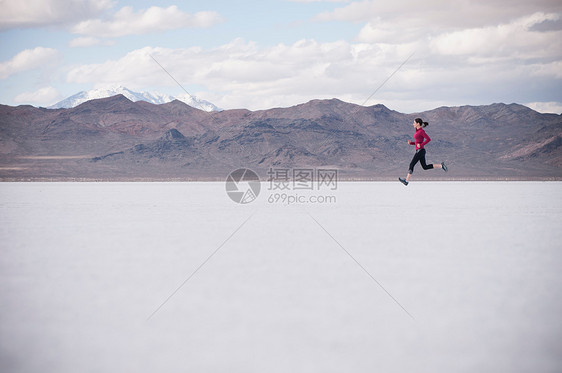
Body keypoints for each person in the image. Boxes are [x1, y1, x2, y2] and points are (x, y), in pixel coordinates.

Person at [399, 118, 447, 186]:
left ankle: (406, 180)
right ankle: (441, 166)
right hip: (420, 151)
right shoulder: (417, 131)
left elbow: (428, 139)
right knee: (425, 167)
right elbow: (417, 142)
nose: (413, 124)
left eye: (414, 123)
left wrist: (421, 145)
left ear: (418, 123)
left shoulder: (421, 131)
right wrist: (411, 143)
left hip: (420, 151)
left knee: (411, 164)